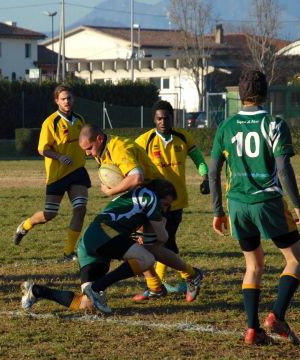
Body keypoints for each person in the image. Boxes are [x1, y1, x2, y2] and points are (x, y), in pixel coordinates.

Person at [209, 70, 300, 346]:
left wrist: (217, 211)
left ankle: (252, 329)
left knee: (253, 265)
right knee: (296, 259)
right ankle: (276, 315)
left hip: (237, 205)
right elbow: (283, 167)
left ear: (240, 94)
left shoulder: (226, 127)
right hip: (268, 202)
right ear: (265, 93)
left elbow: (213, 171)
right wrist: (298, 204)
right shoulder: (274, 123)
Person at [21, 179, 189, 313]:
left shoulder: (137, 198)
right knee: (146, 258)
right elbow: (162, 236)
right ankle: (97, 287)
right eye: (166, 204)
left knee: (85, 304)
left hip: (89, 242)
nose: (165, 209)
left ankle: (37, 291)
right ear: (157, 195)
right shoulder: (150, 197)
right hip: (102, 233)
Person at [79, 123, 203, 301]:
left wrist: (111, 191)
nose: (88, 153)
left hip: (155, 196)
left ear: (99, 139)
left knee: (152, 247)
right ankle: (156, 287)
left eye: (89, 148)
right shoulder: (102, 150)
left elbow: (136, 177)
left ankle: (191, 274)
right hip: (139, 198)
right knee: (139, 246)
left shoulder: (118, 148)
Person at [133, 100, 208, 300]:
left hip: (176, 201)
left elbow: (198, 159)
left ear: (172, 118)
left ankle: (161, 284)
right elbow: (132, 161)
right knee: (151, 242)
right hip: (152, 203)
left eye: (166, 118)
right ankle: (164, 282)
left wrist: (205, 175)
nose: (163, 122)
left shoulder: (183, 137)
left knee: (163, 243)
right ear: (154, 120)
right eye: (159, 118)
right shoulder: (144, 141)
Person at [14, 84, 90, 262]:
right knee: (49, 215)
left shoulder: (80, 119)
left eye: (69, 98)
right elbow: (42, 149)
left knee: (80, 209)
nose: (67, 101)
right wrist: (59, 156)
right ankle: (25, 225)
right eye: (63, 99)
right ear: (57, 101)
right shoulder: (50, 122)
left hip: (77, 172)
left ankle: (68, 253)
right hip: (57, 175)